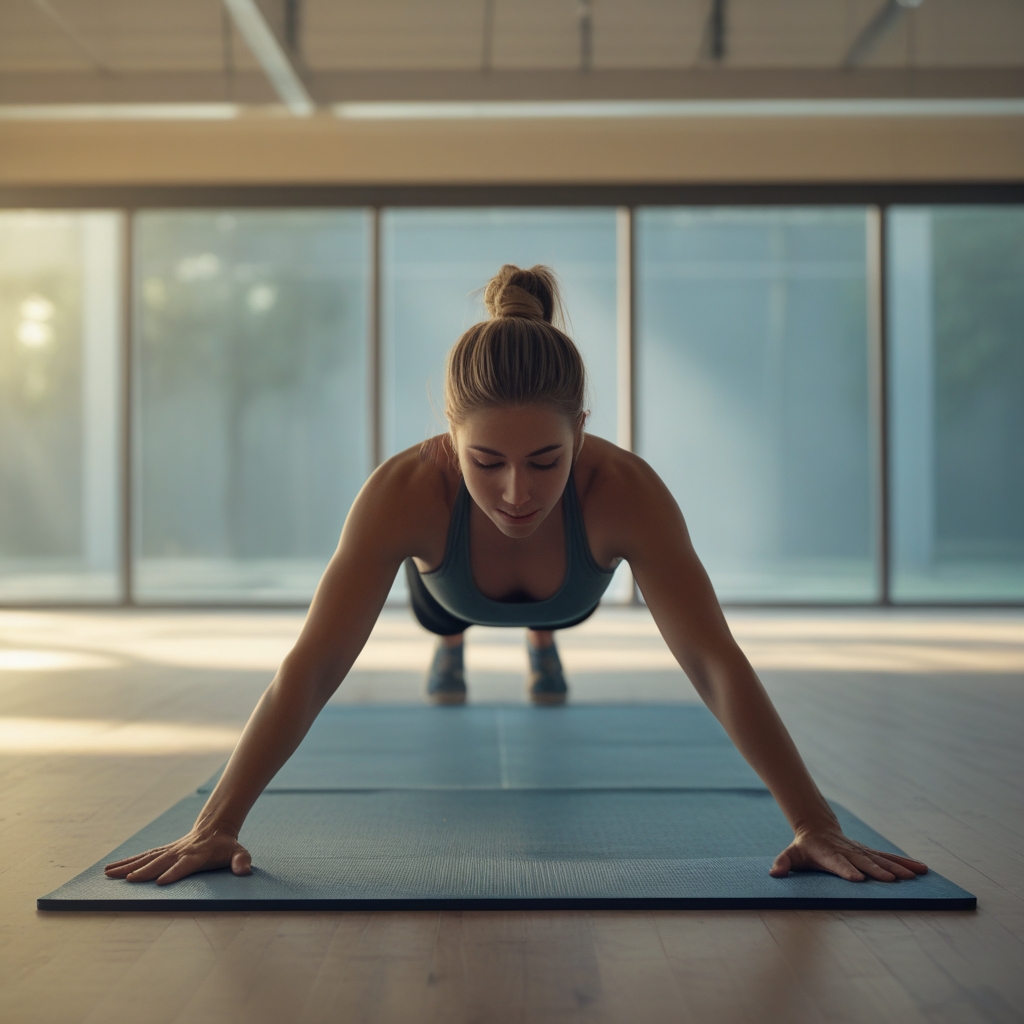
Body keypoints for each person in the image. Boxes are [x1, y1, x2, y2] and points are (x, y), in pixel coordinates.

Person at [105, 264, 928, 888]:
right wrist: (215, 823)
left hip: (570, 599)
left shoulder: (626, 493)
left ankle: (540, 637)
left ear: (583, 434)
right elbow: (313, 665)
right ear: (448, 439)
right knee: (440, 614)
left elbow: (715, 661)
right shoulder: (405, 492)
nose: (516, 491)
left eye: (545, 462)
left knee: (548, 596)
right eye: (486, 462)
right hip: (446, 585)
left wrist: (813, 822)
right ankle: (453, 643)